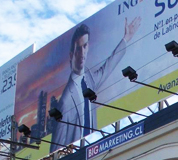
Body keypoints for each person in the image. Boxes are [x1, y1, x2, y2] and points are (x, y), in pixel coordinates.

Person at [53, 17, 141, 147]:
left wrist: (126, 39)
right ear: (71, 55)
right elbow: (57, 145)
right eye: (78, 49)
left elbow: (108, 66)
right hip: (76, 155)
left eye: (85, 46)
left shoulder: (89, 79)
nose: (82, 53)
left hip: (93, 149)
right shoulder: (66, 100)